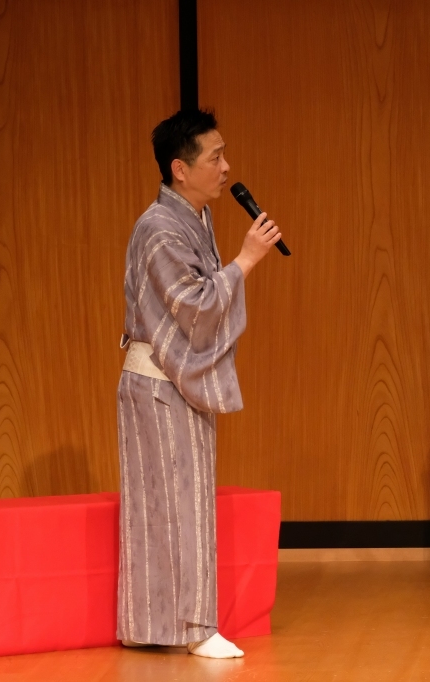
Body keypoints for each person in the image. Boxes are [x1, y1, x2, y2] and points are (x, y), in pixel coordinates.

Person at [116, 108, 282, 659]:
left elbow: (201, 302)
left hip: (175, 380)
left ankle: (166, 625)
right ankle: (188, 628)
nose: (226, 167)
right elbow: (193, 306)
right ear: (180, 169)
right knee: (171, 506)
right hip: (159, 381)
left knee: (180, 503)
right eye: (215, 158)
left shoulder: (194, 218)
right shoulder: (160, 228)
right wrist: (246, 260)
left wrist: (235, 264)